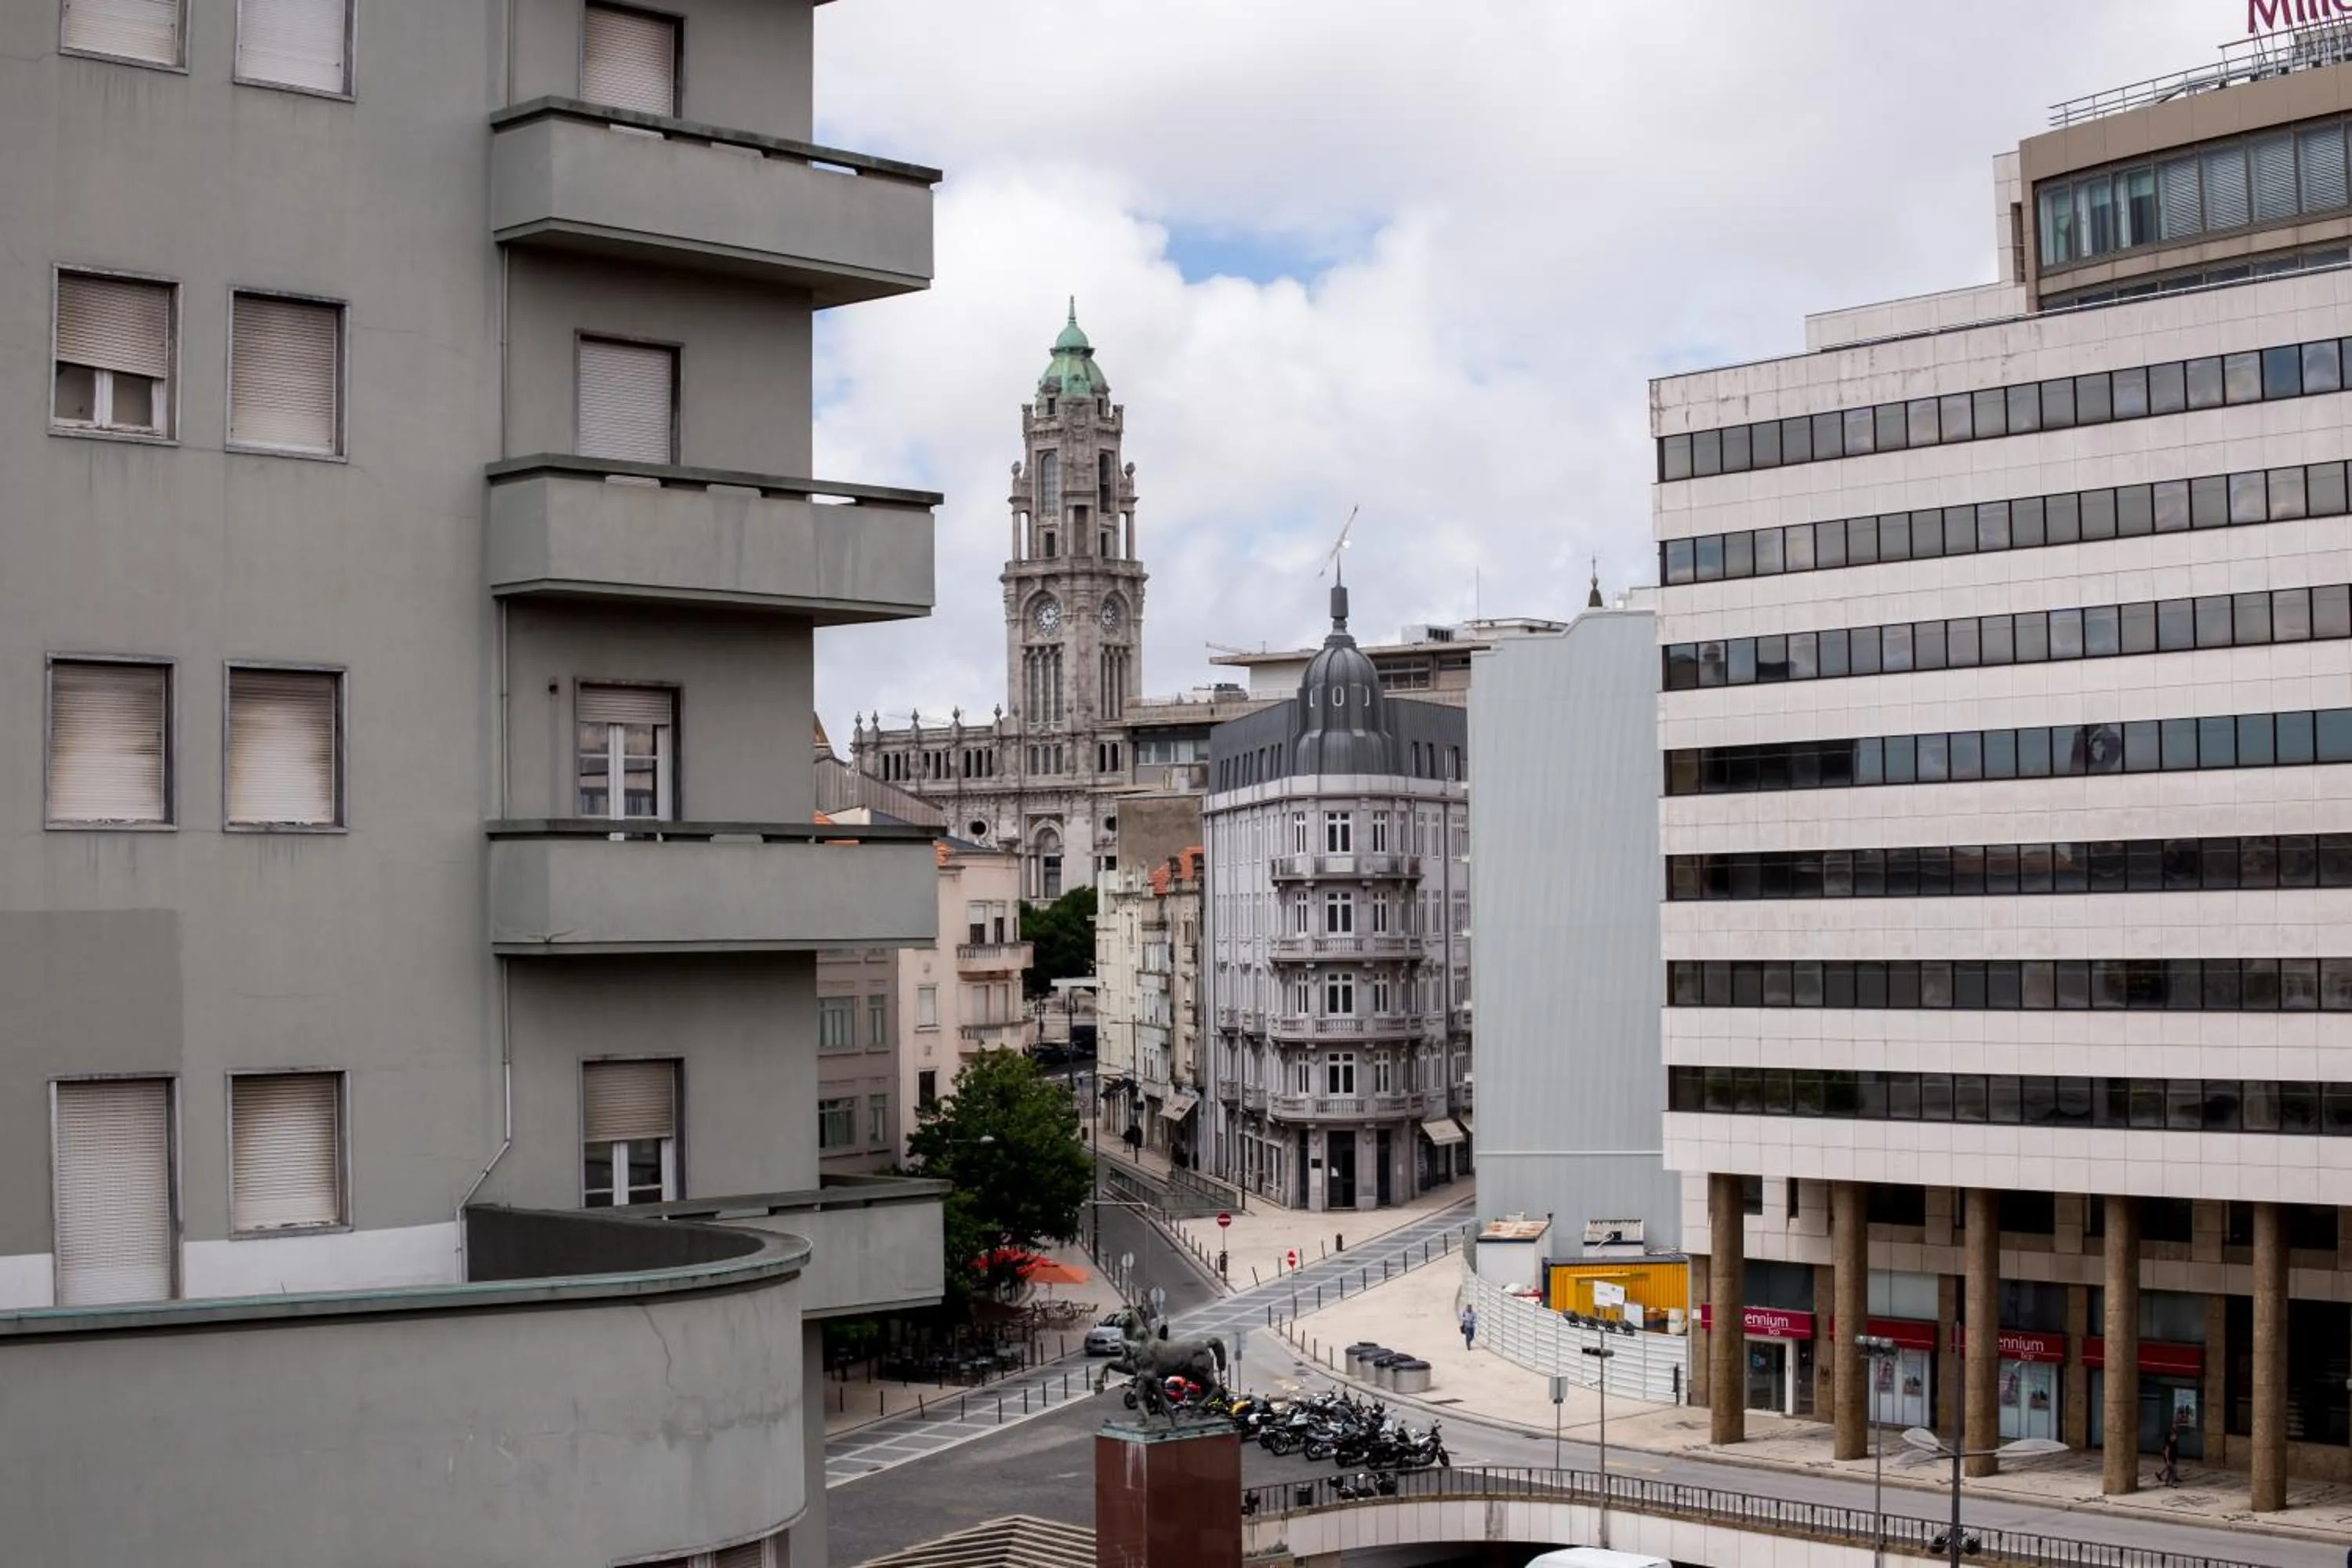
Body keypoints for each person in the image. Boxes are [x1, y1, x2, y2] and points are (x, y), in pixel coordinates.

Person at [2158, 1413, 2182, 1486]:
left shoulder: (2174, 1442)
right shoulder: (2169, 1442)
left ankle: (2167, 1482)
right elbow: (2167, 1450)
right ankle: (2172, 1483)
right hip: (2170, 1456)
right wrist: (2167, 1459)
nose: (2174, 1437)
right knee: (2173, 1470)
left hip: (2173, 1455)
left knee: (2170, 1469)